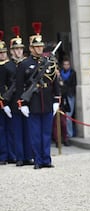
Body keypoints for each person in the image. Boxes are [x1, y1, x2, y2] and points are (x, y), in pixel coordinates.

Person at [16, 22, 61, 169]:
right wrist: (22, 103)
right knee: (35, 134)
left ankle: (46, 159)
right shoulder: (24, 64)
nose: (39, 48)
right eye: (36, 47)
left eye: (41, 46)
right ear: (31, 48)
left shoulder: (49, 62)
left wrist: (56, 99)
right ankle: (37, 160)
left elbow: (55, 81)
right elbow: (19, 86)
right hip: (33, 101)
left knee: (46, 133)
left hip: (47, 100)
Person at [8, 26, 34, 167]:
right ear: (12, 51)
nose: (18, 51)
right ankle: (19, 157)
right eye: (16, 49)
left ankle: (28, 156)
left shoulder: (26, 64)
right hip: (13, 102)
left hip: (27, 100)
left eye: (20, 49)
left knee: (28, 130)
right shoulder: (9, 66)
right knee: (17, 131)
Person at [0, 30, 14, 165]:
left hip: (9, 101)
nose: (2, 55)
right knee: (1, 130)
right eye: (0, 53)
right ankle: (3, 155)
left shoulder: (10, 65)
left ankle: (11, 154)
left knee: (11, 129)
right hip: (1, 102)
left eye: (3, 52)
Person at [52, 69, 70, 147]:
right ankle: (57, 140)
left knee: (64, 124)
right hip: (54, 105)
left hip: (62, 105)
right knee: (56, 125)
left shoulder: (61, 81)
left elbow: (64, 91)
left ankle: (65, 139)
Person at [60, 58, 77, 138]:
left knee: (68, 116)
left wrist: (64, 84)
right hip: (63, 95)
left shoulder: (72, 73)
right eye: (65, 64)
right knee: (63, 116)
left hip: (70, 95)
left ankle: (69, 134)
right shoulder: (61, 73)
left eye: (67, 64)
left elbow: (73, 84)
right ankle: (65, 134)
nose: (66, 66)